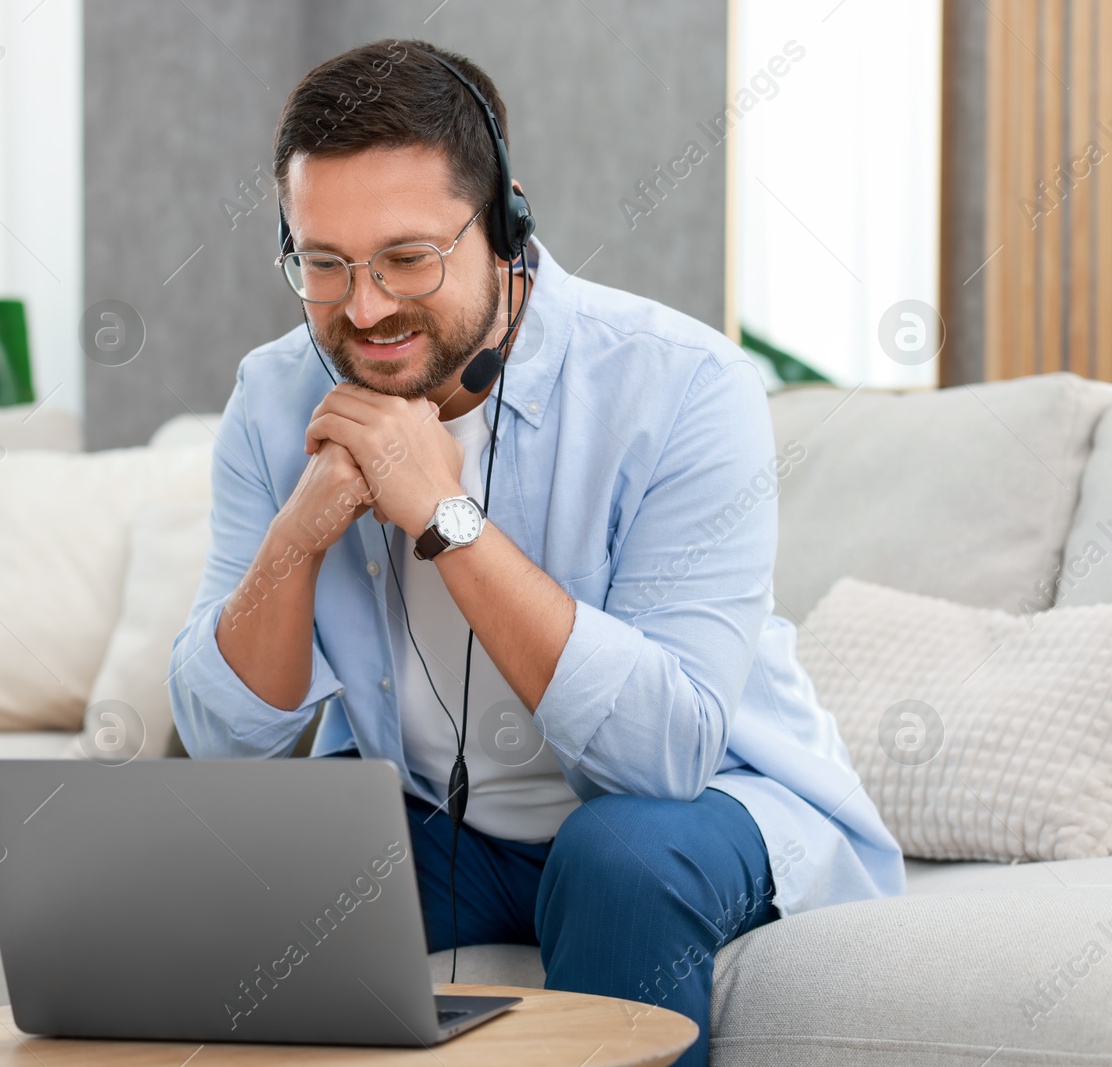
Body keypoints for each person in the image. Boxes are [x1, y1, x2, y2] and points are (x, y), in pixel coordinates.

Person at [169, 39, 903, 1067]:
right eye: (323, 265)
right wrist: (300, 531)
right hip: (435, 818)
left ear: (507, 225)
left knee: (616, 856)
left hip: (698, 803)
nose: (365, 307)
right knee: (236, 862)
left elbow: (665, 752)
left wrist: (444, 513)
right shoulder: (274, 393)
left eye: (406, 258)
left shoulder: (684, 383)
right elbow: (223, 739)